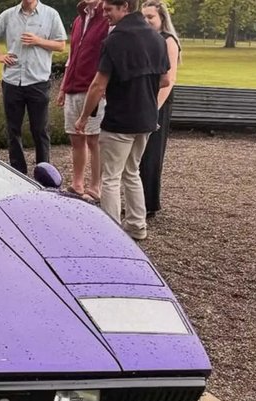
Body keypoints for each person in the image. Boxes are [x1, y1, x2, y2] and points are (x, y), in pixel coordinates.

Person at [74, 0, 170, 240]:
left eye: (109, 9)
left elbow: (98, 85)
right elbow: (165, 80)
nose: (104, 14)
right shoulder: (158, 39)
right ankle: (137, 226)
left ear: (125, 7)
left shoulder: (115, 40)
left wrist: (84, 117)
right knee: (132, 172)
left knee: (111, 177)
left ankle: (110, 233)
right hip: (147, 119)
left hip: (120, 120)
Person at [0, 0, 67, 175]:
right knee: (13, 129)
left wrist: (38, 41)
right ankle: (17, 172)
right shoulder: (8, 15)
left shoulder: (51, 14)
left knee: (40, 130)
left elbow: (61, 45)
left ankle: (44, 173)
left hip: (38, 81)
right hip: (13, 81)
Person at [58, 0, 110, 201]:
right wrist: (63, 87)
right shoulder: (79, 19)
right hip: (73, 86)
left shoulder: (106, 18)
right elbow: (71, 56)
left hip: (94, 88)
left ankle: (95, 187)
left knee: (94, 138)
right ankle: (77, 183)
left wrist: (105, 85)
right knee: (75, 137)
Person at [139, 0, 180, 218]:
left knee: (152, 153)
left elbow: (169, 79)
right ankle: (138, 202)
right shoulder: (145, 40)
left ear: (162, 18)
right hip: (143, 101)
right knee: (138, 154)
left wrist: (153, 109)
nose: (146, 21)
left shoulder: (168, 41)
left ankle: (150, 203)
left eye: (151, 17)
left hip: (158, 103)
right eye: (143, 17)